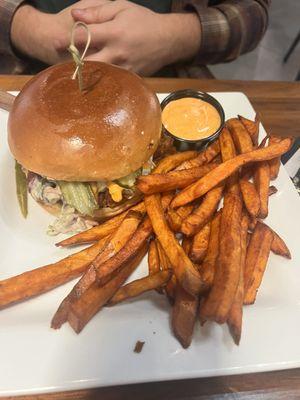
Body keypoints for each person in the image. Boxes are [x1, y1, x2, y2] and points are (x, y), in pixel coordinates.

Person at [0, 0, 270, 77]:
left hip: (170, 84)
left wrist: (172, 37)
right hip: (21, 75)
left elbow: (253, 15)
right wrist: (29, 28)